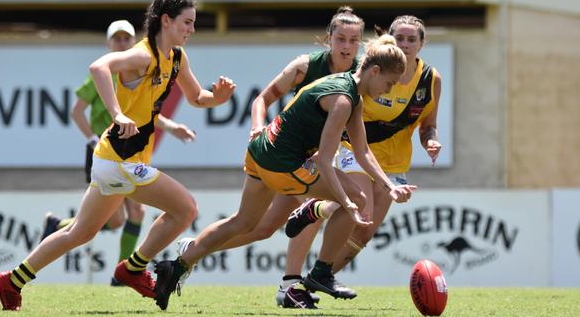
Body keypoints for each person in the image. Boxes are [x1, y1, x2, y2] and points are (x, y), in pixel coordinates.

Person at [0, 0, 235, 311]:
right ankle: (133, 268)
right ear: (166, 20)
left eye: (193, 23)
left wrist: (216, 98)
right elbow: (98, 67)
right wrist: (117, 113)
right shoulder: (143, 55)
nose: (191, 29)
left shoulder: (176, 57)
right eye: (187, 22)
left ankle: (12, 280)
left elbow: (195, 97)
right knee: (186, 209)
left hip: (111, 159)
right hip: (120, 160)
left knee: (79, 232)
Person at [153, 33, 417, 311]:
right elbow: (325, 162)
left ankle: (176, 265)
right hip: (281, 163)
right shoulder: (343, 100)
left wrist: (389, 186)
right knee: (358, 200)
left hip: (261, 151)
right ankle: (321, 270)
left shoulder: (350, 95)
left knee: (243, 222)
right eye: (389, 83)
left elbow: (362, 152)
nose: (388, 90)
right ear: (374, 71)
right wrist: (346, 203)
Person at [172, 5, 364, 307]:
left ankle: (194, 251)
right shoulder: (304, 66)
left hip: (311, 159)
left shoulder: (361, 74)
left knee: (260, 229)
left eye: (354, 41)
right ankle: (292, 281)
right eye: (341, 39)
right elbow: (262, 99)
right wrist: (257, 127)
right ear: (328, 38)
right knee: (318, 207)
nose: (347, 46)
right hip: (286, 156)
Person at [284, 15, 442, 294]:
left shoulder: (429, 79)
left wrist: (431, 141)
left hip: (394, 161)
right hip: (355, 148)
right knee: (361, 205)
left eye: (411, 39)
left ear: (422, 44)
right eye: (400, 39)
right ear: (390, 41)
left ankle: (316, 279)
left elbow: (428, 125)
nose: (405, 45)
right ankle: (315, 209)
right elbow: (340, 103)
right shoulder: (370, 69)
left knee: (365, 229)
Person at [40, 19, 197, 287]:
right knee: (124, 216)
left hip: (130, 151)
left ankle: (114, 267)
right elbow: (77, 110)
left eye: (127, 39)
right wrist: (91, 137)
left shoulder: (141, 70)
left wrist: (171, 127)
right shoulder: (104, 75)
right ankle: (125, 273)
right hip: (106, 150)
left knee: (121, 219)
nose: (122, 43)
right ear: (108, 44)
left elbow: (145, 114)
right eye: (117, 39)